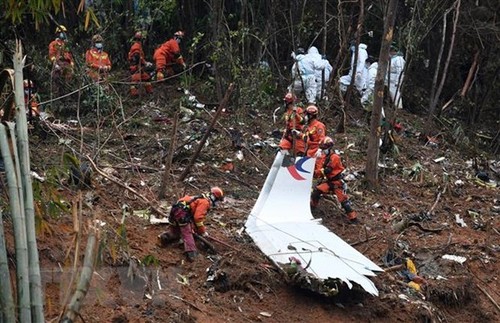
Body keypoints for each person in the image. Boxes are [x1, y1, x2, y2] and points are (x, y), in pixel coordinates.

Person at [158, 187, 224, 261]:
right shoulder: (205, 202)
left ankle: (165, 237)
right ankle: (191, 254)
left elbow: (192, 216)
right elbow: (198, 218)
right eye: (218, 200)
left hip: (175, 210)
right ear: (214, 198)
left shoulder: (198, 197)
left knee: (175, 231)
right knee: (187, 233)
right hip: (182, 213)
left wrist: (194, 228)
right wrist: (202, 231)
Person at [311, 137, 358, 223]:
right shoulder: (325, 157)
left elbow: (327, 170)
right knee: (317, 191)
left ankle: (353, 218)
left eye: (324, 148)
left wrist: (318, 172)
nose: (323, 150)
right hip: (329, 182)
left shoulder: (335, 157)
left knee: (344, 202)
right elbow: (320, 169)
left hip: (337, 183)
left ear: (329, 147)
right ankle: (312, 207)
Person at [48, 25, 74, 94]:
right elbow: (51, 54)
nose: (63, 34)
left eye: (64, 32)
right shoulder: (53, 44)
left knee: (68, 81)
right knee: (56, 79)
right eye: (62, 32)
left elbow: (70, 55)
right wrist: (55, 63)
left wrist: (71, 64)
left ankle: (66, 96)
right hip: (58, 63)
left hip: (67, 64)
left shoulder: (67, 44)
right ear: (58, 33)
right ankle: (56, 96)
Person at [128, 31, 153, 96]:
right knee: (135, 82)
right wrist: (145, 63)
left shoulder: (138, 46)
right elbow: (137, 57)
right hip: (135, 67)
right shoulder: (136, 46)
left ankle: (150, 93)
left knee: (146, 78)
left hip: (139, 67)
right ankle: (134, 96)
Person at [386, 44, 405, 109]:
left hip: (394, 81)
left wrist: (398, 82)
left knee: (395, 94)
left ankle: (398, 107)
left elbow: (400, 71)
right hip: (389, 79)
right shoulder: (392, 59)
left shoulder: (399, 59)